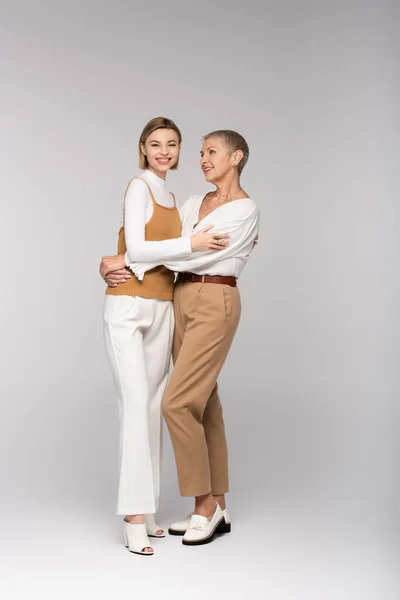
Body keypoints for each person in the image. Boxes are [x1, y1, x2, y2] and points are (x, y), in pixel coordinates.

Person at [103, 129, 260, 546]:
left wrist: (127, 257)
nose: (203, 159)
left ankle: (204, 506)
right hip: (179, 295)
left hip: (215, 296)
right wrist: (171, 248)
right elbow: (175, 246)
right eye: (202, 152)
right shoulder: (195, 203)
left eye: (212, 153)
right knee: (205, 401)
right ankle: (221, 505)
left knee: (176, 402)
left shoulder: (244, 210)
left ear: (236, 157)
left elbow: (198, 253)